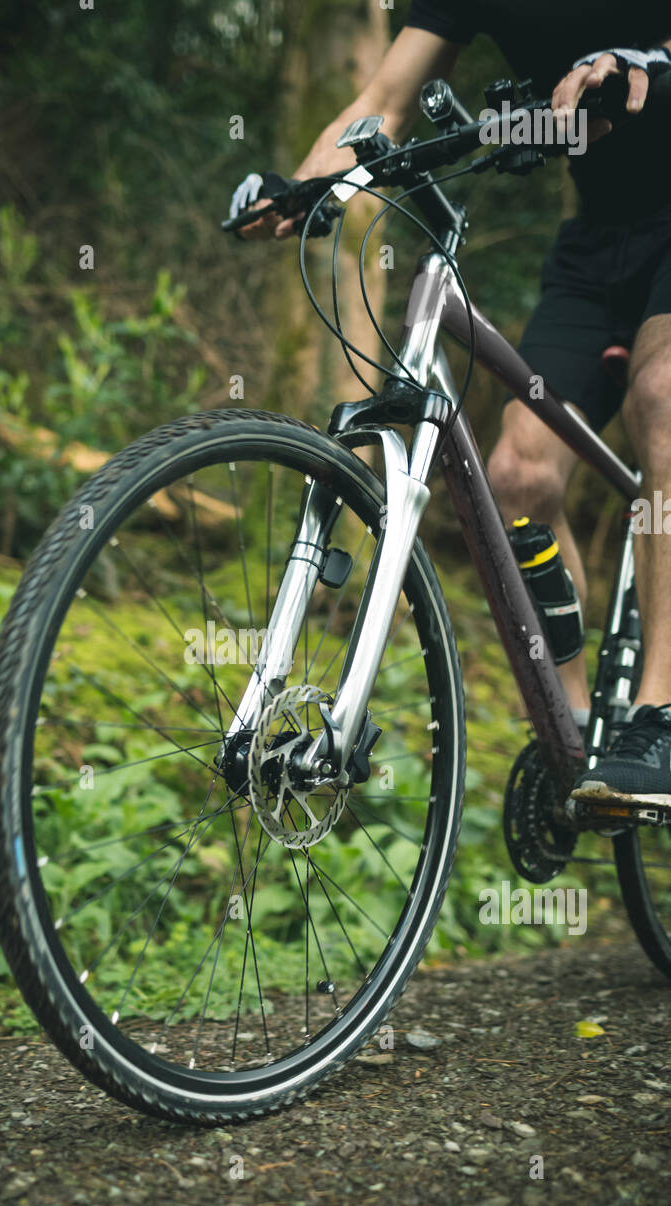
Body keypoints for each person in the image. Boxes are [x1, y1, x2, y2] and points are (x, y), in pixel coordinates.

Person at [230, 1, 671, 812]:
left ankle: (660, 711)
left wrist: (643, 57)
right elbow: (384, 101)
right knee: (518, 475)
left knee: (661, 397)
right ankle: (577, 735)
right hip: (598, 241)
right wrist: (303, 187)